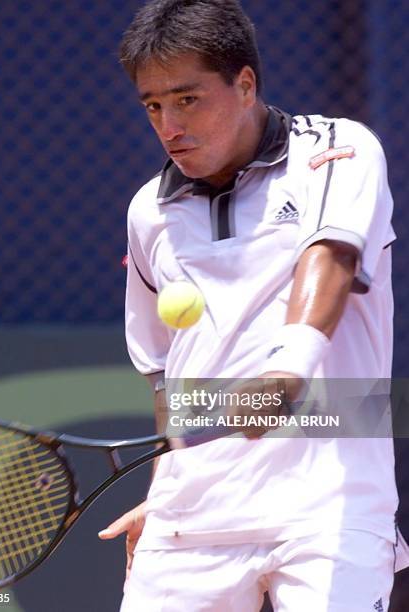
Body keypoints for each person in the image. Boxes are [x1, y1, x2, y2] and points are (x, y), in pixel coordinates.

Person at [98, 1, 407, 609]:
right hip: (191, 524)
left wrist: (284, 374)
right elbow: (168, 376)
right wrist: (165, 494)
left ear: (245, 85)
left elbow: (333, 256)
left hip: (329, 509)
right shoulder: (147, 212)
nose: (169, 126)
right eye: (153, 106)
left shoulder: (338, 149)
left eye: (188, 100)